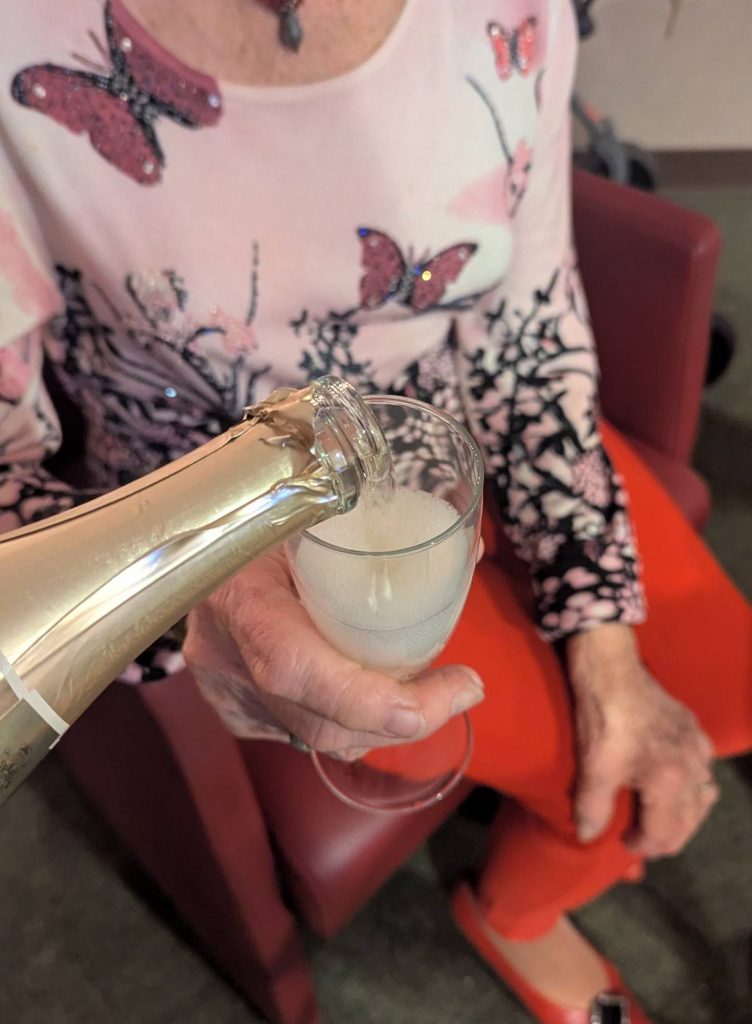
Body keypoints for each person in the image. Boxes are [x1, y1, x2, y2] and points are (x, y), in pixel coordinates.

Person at [0, 1, 749, 1021]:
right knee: (614, 789)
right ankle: (514, 914)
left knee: (716, 686)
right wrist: (191, 593)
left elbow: (525, 329)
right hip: (235, 543)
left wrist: (602, 637)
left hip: (457, 459)